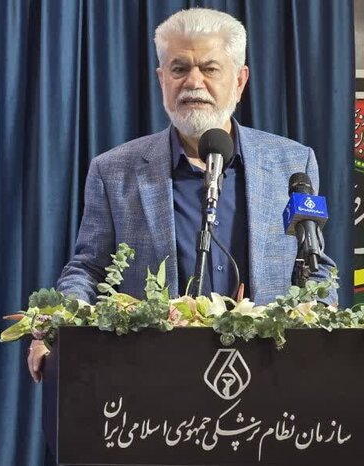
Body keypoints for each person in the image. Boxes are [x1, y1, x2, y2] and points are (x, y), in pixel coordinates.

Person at [28, 7, 338, 382]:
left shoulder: (293, 163)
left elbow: (314, 265)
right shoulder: (114, 170)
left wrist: (322, 326)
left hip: (268, 376)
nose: (193, 82)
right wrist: (57, 325)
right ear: (162, 79)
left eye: (209, 68)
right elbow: (90, 268)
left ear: (240, 81)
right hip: (155, 378)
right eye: (179, 69)